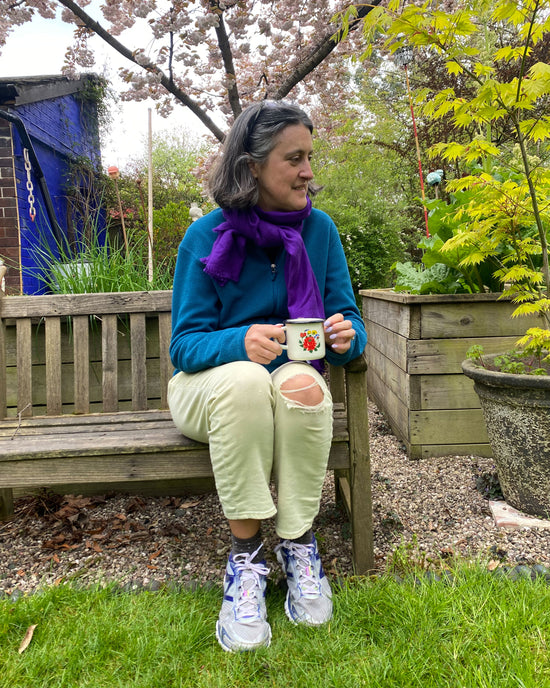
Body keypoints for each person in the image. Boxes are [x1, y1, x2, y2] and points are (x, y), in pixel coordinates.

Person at [167, 100, 367, 652]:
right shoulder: (205, 237)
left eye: (310, 157)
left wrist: (350, 337)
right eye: (294, 159)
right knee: (245, 381)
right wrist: (240, 341)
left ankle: (299, 543)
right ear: (252, 166)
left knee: (303, 385)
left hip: (287, 380)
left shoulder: (320, 231)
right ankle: (245, 558)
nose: (309, 171)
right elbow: (184, 346)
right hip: (210, 388)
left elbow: (346, 316)